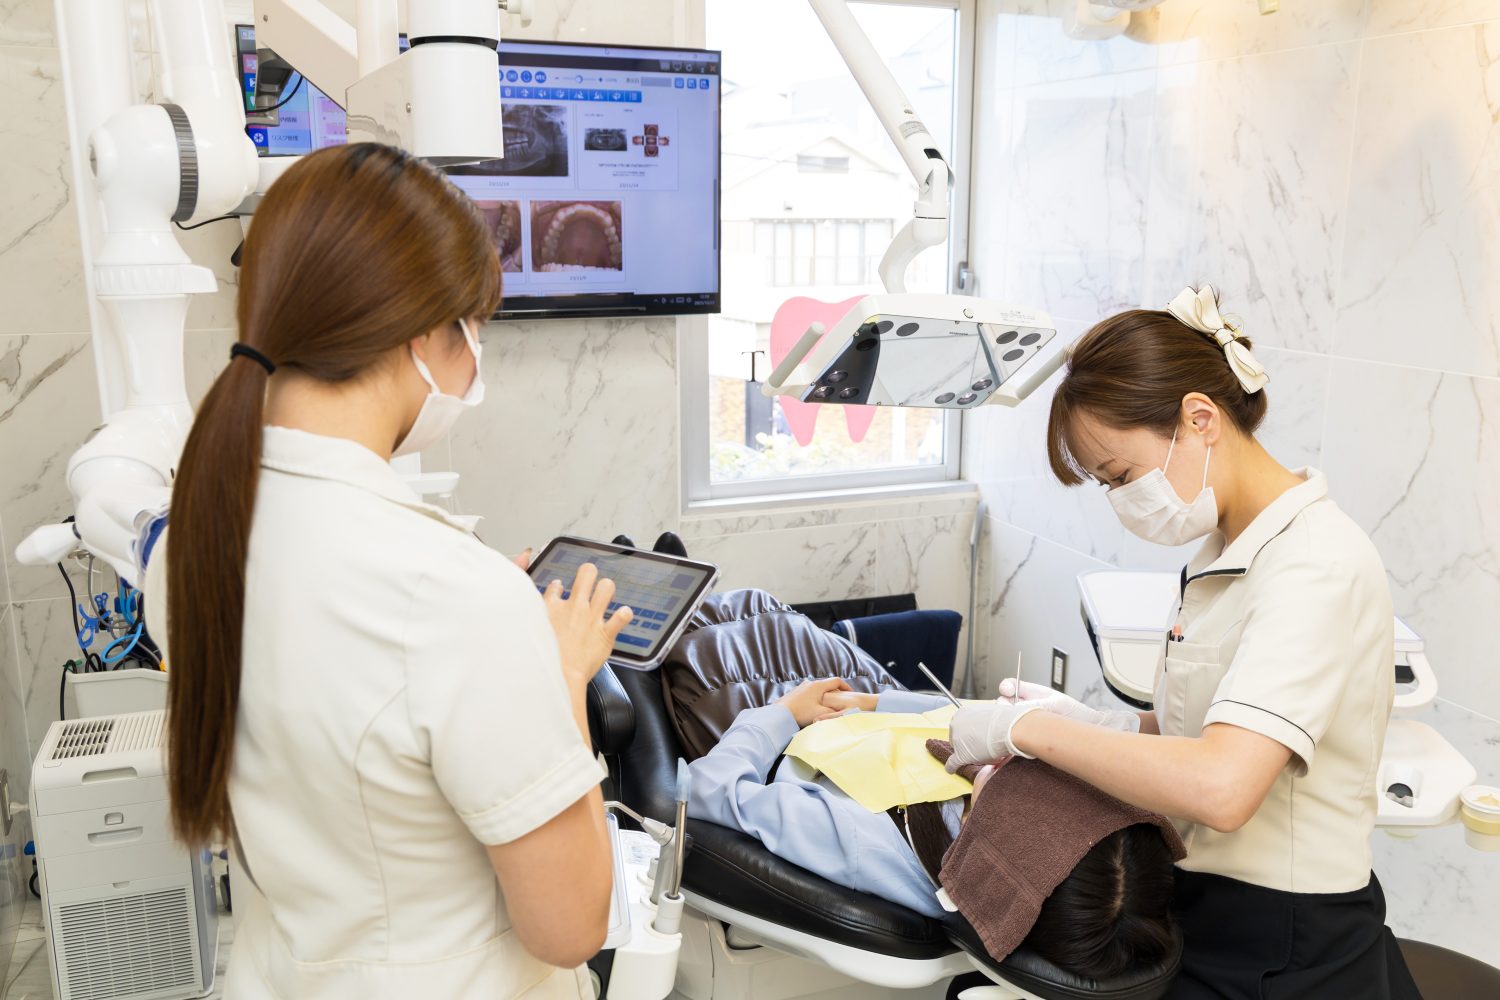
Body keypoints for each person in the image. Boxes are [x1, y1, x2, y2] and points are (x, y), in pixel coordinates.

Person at [151, 143, 631, 998]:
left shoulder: (196, 541)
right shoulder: (451, 595)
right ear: (426, 334)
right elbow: (569, 928)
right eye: (475, 326)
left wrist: (501, 647)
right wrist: (557, 675)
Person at [944, 286, 1420, 998]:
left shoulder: (1314, 563)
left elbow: (1223, 786)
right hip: (1204, 903)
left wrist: (1029, 731)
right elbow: (1199, 732)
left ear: (1199, 420)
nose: (1120, 499)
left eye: (1121, 476)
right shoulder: (1222, 552)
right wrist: (1099, 723)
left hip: (1285, 941)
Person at [687, 679, 1179, 980]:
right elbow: (957, 716)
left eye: (1023, 783)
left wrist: (780, 713)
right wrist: (873, 700)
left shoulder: (858, 839)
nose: (1022, 765)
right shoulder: (1014, 821)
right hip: (865, 710)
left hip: (768, 730)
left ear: (995, 854)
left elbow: (707, 789)